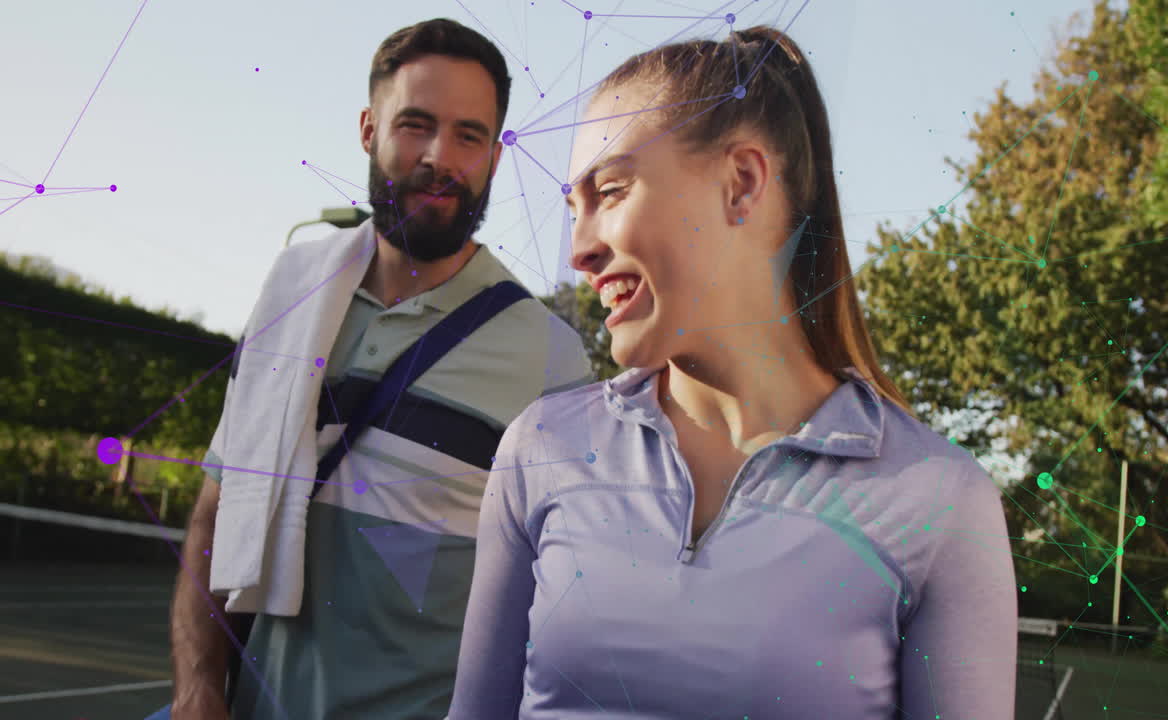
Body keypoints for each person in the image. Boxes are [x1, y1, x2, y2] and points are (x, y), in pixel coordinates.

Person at [447, 25, 1017, 720]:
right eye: (573, 210)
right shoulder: (540, 448)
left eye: (612, 192)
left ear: (741, 183)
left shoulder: (941, 503)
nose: (580, 250)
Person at [159, 18, 594, 720]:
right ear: (368, 129)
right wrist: (198, 690)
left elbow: (572, 610)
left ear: (493, 157)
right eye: (415, 124)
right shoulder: (288, 301)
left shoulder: (550, 358)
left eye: (469, 135)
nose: (438, 156)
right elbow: (214, 521)